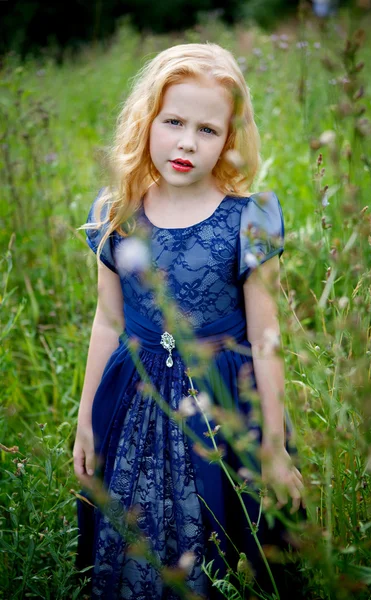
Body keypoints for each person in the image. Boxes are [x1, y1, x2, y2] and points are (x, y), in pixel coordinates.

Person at [73, 42, 306, 600]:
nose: (186, 141)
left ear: (229, 138)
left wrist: (273, 446)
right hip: (133, 396)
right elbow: (108, 322)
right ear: (146, 120)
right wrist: (85, 419)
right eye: (173, 121)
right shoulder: (116, 212)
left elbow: (266, 339)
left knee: (228, 539)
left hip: (226, 399)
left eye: (207, 129)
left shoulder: (250, 217)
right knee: (138, 533)